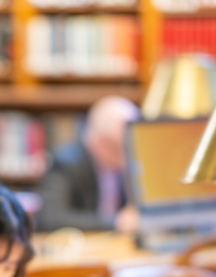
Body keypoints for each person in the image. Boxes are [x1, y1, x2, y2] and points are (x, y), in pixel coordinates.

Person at [37, 95, 140, 233]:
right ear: (100, 141)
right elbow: (53, 218)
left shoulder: (124, 164)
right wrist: (116, 221)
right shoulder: (66, 162)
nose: (127, 156)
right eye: (121, 147)